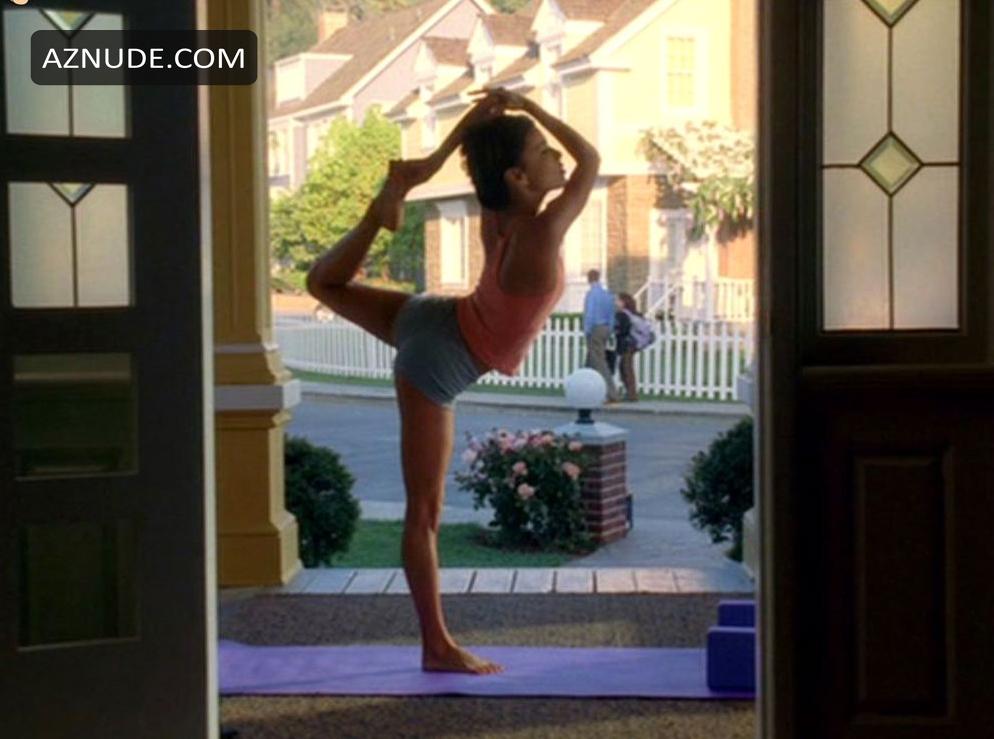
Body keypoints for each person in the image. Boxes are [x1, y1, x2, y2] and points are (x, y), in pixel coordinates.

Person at [306, 88, 599, 675]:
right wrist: (530, 109)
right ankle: (437, 647)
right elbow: (590, 159)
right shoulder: (538, 232)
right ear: (518, 177)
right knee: (424, 514)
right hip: (437, 361)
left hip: (434, 319)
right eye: (543, 150)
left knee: (323, 283)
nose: (556, 158)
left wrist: (433, 161)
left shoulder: (500, 214)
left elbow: (486, 145)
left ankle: (384, 204)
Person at [583, 269, 620, 402]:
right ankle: (586, 390)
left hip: (595, 329)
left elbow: (589, 314)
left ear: (589, 279)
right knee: (590, 361)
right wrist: (609, 328)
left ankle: (611, 393)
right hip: (605, 328)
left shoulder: (591, 295)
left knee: (599, 361)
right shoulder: (607, 295)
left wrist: (587, 330)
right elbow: (612, 314)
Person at [614, 292, 643, 402]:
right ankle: (630, 392)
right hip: (633, 343)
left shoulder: (623, 315)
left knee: (626, 368)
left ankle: (631, 394)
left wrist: (616, 330)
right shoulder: (634, 314)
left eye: (618, 300)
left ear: (623, 302)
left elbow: (623, 330)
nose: (615, 302)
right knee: (624, 367)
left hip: (627, 344)